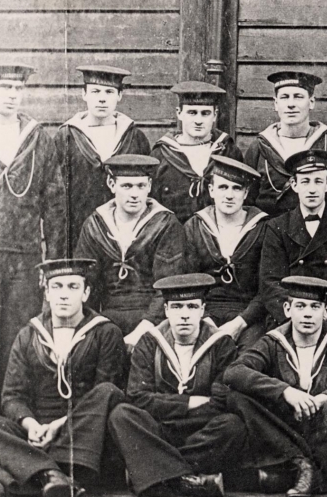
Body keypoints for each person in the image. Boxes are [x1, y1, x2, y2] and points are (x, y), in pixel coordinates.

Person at [0, 63, 65, 452]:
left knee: (18, 347)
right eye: (4, 86)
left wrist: (53, 267)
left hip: (25, 259)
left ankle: (15, 439)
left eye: (18, 88)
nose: (11, 95)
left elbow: (54, 205)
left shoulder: (38, 139)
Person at [0, 258, 125, 497]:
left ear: (86, 293)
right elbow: (12, 396)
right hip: (39, 438)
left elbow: (105, 393)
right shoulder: (29, 334)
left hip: (83, 439)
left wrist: (60, 425)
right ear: (47, 293)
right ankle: (51, 475)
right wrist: (32, 427)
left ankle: (36, 476)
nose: (64, 295)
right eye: (57, 286)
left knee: (107, 392)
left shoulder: (105, 332)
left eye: (73, 287)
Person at [222, 276, 327, 497]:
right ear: (287, 309)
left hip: (325, 426)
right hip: (285, 426)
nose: (307, 314)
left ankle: (292, 475)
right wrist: (285, 391)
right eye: (300, 306)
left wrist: (326, 397)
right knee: (237, 397)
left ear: (326, 311)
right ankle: (302, 464)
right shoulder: (273, 341)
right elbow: (235, 371)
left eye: (315, 307)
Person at [107, 273, 246, 497]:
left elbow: (221, 400)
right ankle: (186, 480)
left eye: (192, 306)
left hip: (200, 430)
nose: (184, 315)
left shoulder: (221, 344)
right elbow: (137, 397)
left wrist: (165, 404)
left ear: (202, 310)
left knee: (233, 425)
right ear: (166, 310)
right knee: (121, 415)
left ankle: (152, 470)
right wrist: (189, 402)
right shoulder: (149, 342)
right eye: (177, 307)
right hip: (159, 428)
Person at [74, 154, 185, 348]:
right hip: (107, 318)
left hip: (154, 318)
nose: (134, 194)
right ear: (111, 184)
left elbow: (167, 286)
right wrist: (94, 329)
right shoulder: (95, 225)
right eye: (126, 186)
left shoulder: (165, 224)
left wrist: (141, 332)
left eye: (141, 186)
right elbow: (86, 284)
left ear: (149, 186)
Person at [258, 149, 327, 331]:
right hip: (289, 321)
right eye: (305, 181)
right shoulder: (277, 227)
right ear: (294, 185)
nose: (312, 189)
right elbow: (270, 282)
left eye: (318, 181)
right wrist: (297, 318)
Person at [54, 65, 151, 253]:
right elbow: (56, 197)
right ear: (84, 94)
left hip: (125, 237)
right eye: (95, 91)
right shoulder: (66, 137)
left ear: (119, 96)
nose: (102, 98)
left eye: (109, 92)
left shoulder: (134, 138)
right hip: (78, 235)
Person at [182, 155, 270, 345]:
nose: (229, 195)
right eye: (223, 187)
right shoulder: (195, 226)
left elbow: (267, 287)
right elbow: (188, 281)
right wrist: (206, 321)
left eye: (236, 188)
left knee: (250, 354)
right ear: (211, 190)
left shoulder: (263, 228)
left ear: (246, 193)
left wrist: (240, 323)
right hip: (203, 314)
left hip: (248, 315)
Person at [242, 69, 327, 215]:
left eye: (298, 97)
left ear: (311, 102)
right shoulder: (258, 148)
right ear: (276, 103)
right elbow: (248, 202)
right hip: (270, 227)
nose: (291, 104)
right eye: (284, 97)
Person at [150, 81, 243, 224]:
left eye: (205, 113)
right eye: (192, 113)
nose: (198, 121)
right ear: (179, 113)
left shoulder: (228, 151)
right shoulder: (162, 154)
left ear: (215, 115)